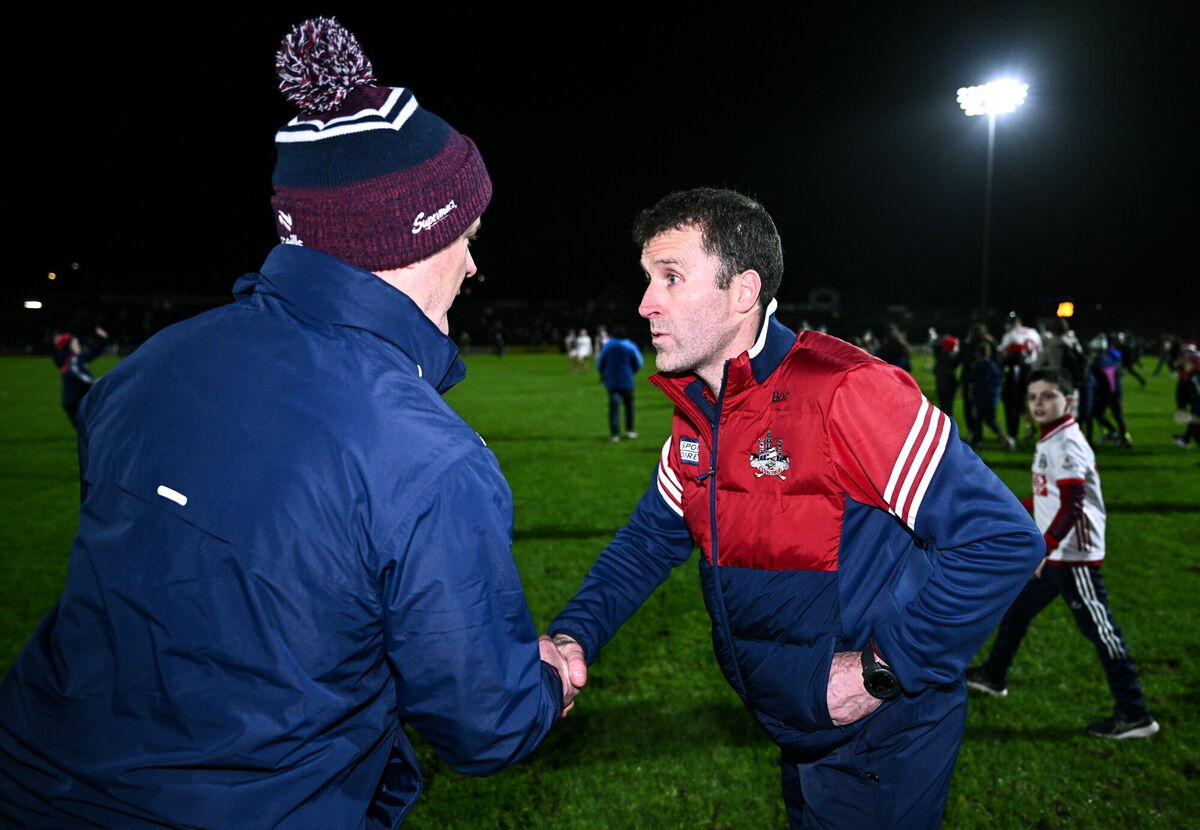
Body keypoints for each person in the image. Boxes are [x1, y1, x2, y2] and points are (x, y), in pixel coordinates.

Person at [0, 18, 574, 829]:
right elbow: (486, 722)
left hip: (36, 780)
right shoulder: (425, 457)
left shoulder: (146, 369)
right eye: (467, 238)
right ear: (415, 237)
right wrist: (546, 680)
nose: (474, 265)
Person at [546, 188, 1042, 828]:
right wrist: (571, 635)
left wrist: (882, 673)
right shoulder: (702, 414)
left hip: (880, 736)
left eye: (670, 277)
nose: (646, 303)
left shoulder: (844, 389)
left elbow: (1004, 541)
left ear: (742, 291)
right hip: (801, 722)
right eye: (647, 278)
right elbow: (646, 544)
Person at [967, 369, 1159, 739]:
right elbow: (1048, 498)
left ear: (1069, 400)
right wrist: (1006, 514)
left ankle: (1135, 712)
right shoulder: (1050, 439)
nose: (1039, 403)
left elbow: (1072, 504)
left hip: (1074, 554)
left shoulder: (1066, 443)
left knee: (1102, 630)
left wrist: (1047, 547)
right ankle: (994, 675)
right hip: (1057, 550)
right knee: (1018, 609)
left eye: (1049, 395)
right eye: (1033, 396)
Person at [51, 326, 109, 428]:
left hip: (77, 399)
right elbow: (78, 374)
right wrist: (95, 382)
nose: (78, 345)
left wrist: (102, 338)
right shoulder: (73, 360)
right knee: (89, 429)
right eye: (74, 343)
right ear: (68, 346)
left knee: (89, 429)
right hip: (74, 401)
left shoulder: (75, 358)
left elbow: (93, 352)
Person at [597, 325, 643, 441]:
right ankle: (630, 430)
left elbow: (600, 362)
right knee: (629, 406)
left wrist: (603, 374)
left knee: (614, 407)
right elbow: (639, 362)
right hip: (627, 379)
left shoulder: (608, 346)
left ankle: (615, 434)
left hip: (612, 381)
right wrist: (632, 371)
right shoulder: (630, 345)